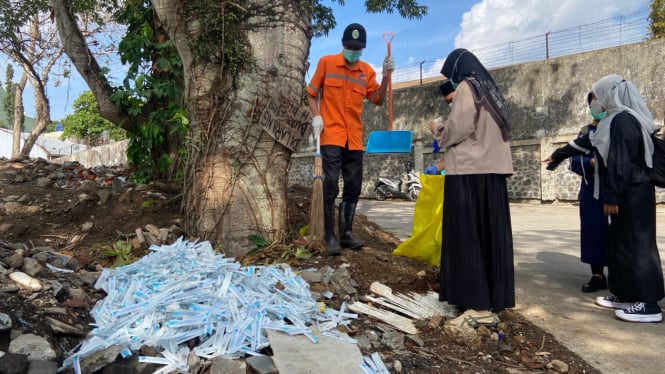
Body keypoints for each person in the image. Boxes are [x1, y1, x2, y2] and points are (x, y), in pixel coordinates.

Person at [430, 48, 515, 327]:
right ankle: (491, 299)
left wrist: (439, 130)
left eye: (450, 76)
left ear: (458, 70)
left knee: (468, 237)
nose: (452, 82)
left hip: (469, 172)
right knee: (488, 236)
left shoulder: (468, 86)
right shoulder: (491, 91)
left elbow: (461, 127)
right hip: (492, 173)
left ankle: (477, 305)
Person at [307, 23, 395, 255]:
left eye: (357, 48)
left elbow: (377, 99)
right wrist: (317, 116)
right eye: (350, 46)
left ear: (362, 49)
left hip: (354, 138)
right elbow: (311, 93)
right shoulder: (327, 63)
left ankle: (346, 233)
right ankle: (330, 235)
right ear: (343, 45)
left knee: (354, 187)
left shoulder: (366, 71)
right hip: (331, 135)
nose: (353, 50)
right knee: (331, 184)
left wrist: (385, 77)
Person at [588, 74, 664, 323]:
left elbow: (621, 162)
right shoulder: (620, 119)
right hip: (629, 191)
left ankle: (649, 304)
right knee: (621, 245)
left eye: (598, 96)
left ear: (611, 95)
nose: (596, 102)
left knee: (639, 246)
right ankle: (626, 294)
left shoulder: (623, 120)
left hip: (632, 193)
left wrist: (611, 196)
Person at [542, 92, 608, 293]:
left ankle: (621, 274)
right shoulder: (586, 132)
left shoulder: (617, 127)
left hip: (614, 189)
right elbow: (573, 160)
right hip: (591, 189)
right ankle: (597, 275)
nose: (595, 107)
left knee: (615, 233)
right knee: (592, 232)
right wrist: (589, 162)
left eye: (598, 102)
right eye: (591, 103)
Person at [425, 81, 455, 175]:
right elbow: (454, 154)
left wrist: (436, 128)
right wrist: (437, 167)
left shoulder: (470, 116)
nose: (451, 104)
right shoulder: (454, 117)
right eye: (448, 102)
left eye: (452, 100)